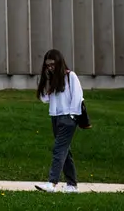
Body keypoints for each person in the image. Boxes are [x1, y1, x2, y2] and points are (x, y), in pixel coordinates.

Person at [35, 49, 84, 194]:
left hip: (68, 117)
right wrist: (46, 80)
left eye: (52, 64)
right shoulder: (52, 79)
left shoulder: (70, 76)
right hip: (55, 117)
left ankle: (52, 183)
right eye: (47, 65)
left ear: (59, 62)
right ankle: (72, 185)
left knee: (58, 149)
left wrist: (72, 116)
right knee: (65, 151)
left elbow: (78, 96)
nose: (50, 67)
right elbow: (44, 99)